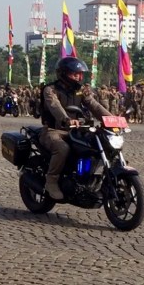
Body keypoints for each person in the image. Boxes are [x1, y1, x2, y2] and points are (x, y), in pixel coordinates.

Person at [39, 57, 112, 200]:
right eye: (75, 74)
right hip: (54, 130)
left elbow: (94, 106)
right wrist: (66, 120)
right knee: (62, 148)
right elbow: (55, 107)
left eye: (80, 73)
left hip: (77, 131)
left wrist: (112, 119)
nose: (79, 77)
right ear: (64, 73)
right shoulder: (50, 90)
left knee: (100, 143)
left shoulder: (81, 90)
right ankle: (51, 181)